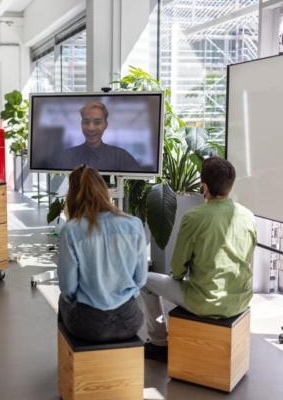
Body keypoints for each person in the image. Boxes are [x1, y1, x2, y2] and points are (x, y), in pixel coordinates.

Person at [140, 157, 257, 362]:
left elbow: (177, 269)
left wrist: (179, 276)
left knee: (145, 281)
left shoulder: (194, 217)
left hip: (206, 302)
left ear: (204, 187)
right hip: (241, 299)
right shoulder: (248, 216)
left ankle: (159, 343)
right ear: (230, 185)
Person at [57, 165, 148, 342]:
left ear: (72, 195)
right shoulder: (134, 224)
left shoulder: (72, 230)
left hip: (90, 325)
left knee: (63, 300)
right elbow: (141, 280)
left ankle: (70, 365)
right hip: (130, 320)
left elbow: (68, 288)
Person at [51, 101, 141, 171]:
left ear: (105, 125)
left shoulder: (122, 157)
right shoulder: (63, 157)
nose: (91, 128)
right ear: (81, 124)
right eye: (86, 122)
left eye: (97, 122)